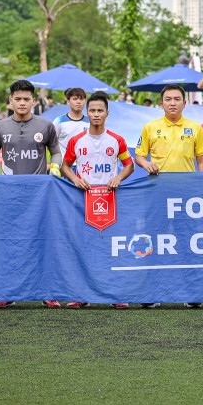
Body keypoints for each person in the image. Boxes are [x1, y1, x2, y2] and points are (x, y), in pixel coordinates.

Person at [0, 79, 65, 309]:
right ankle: (8, 291)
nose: (21, 103)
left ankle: (47, 291)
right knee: (11, 244)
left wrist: (55, 167)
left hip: (39, 197)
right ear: (10, 101)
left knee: (43, 243)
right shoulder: (0, 127)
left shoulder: (46, 126)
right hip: (9, 196)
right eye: (17, 99)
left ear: (33, 101)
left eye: (26, 99)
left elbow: (56, 152)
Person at [134, 84, 203, 308]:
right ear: (161, 103)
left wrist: (201, 185)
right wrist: (147, 164)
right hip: (157, 194)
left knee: (189, 242)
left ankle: (192, 293)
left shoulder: (195, 128)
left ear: (184, 103)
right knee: (154, 240)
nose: (173, 102)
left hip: (187, 196)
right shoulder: (150, 127)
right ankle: (151, 293)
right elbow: (139, 156)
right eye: (168, 99)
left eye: (177, 99)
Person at [61, 91, 135, 310]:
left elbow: (129, 164)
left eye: (99, 111)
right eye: (92, 110)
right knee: (83, 248)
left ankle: (115, 294)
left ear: (107, 113)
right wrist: (75, 178)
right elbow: (65, 165)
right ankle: (81, 295)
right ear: (87, 112)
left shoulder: (117, 140)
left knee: (110, 247)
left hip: (109, 201)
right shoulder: (76, 141)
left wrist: (118, 177)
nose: (95, 114)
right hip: (82, 202)